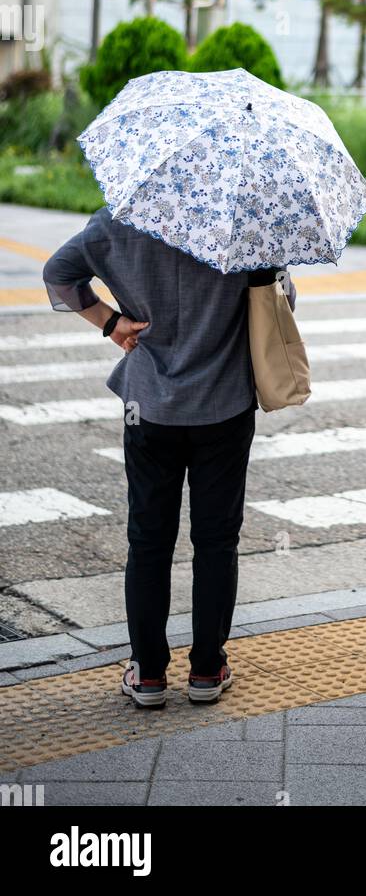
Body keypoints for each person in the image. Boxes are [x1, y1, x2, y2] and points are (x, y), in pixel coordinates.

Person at [42, 206, 295, 709]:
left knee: (149, 539)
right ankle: (207, 668)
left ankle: (149, 674)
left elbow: (58, 273)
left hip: (149, 407)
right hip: (223, 405)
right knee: (217, 540)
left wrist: (111, 321)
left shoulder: (122, 219)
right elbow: (281, 302)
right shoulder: (246, 221)